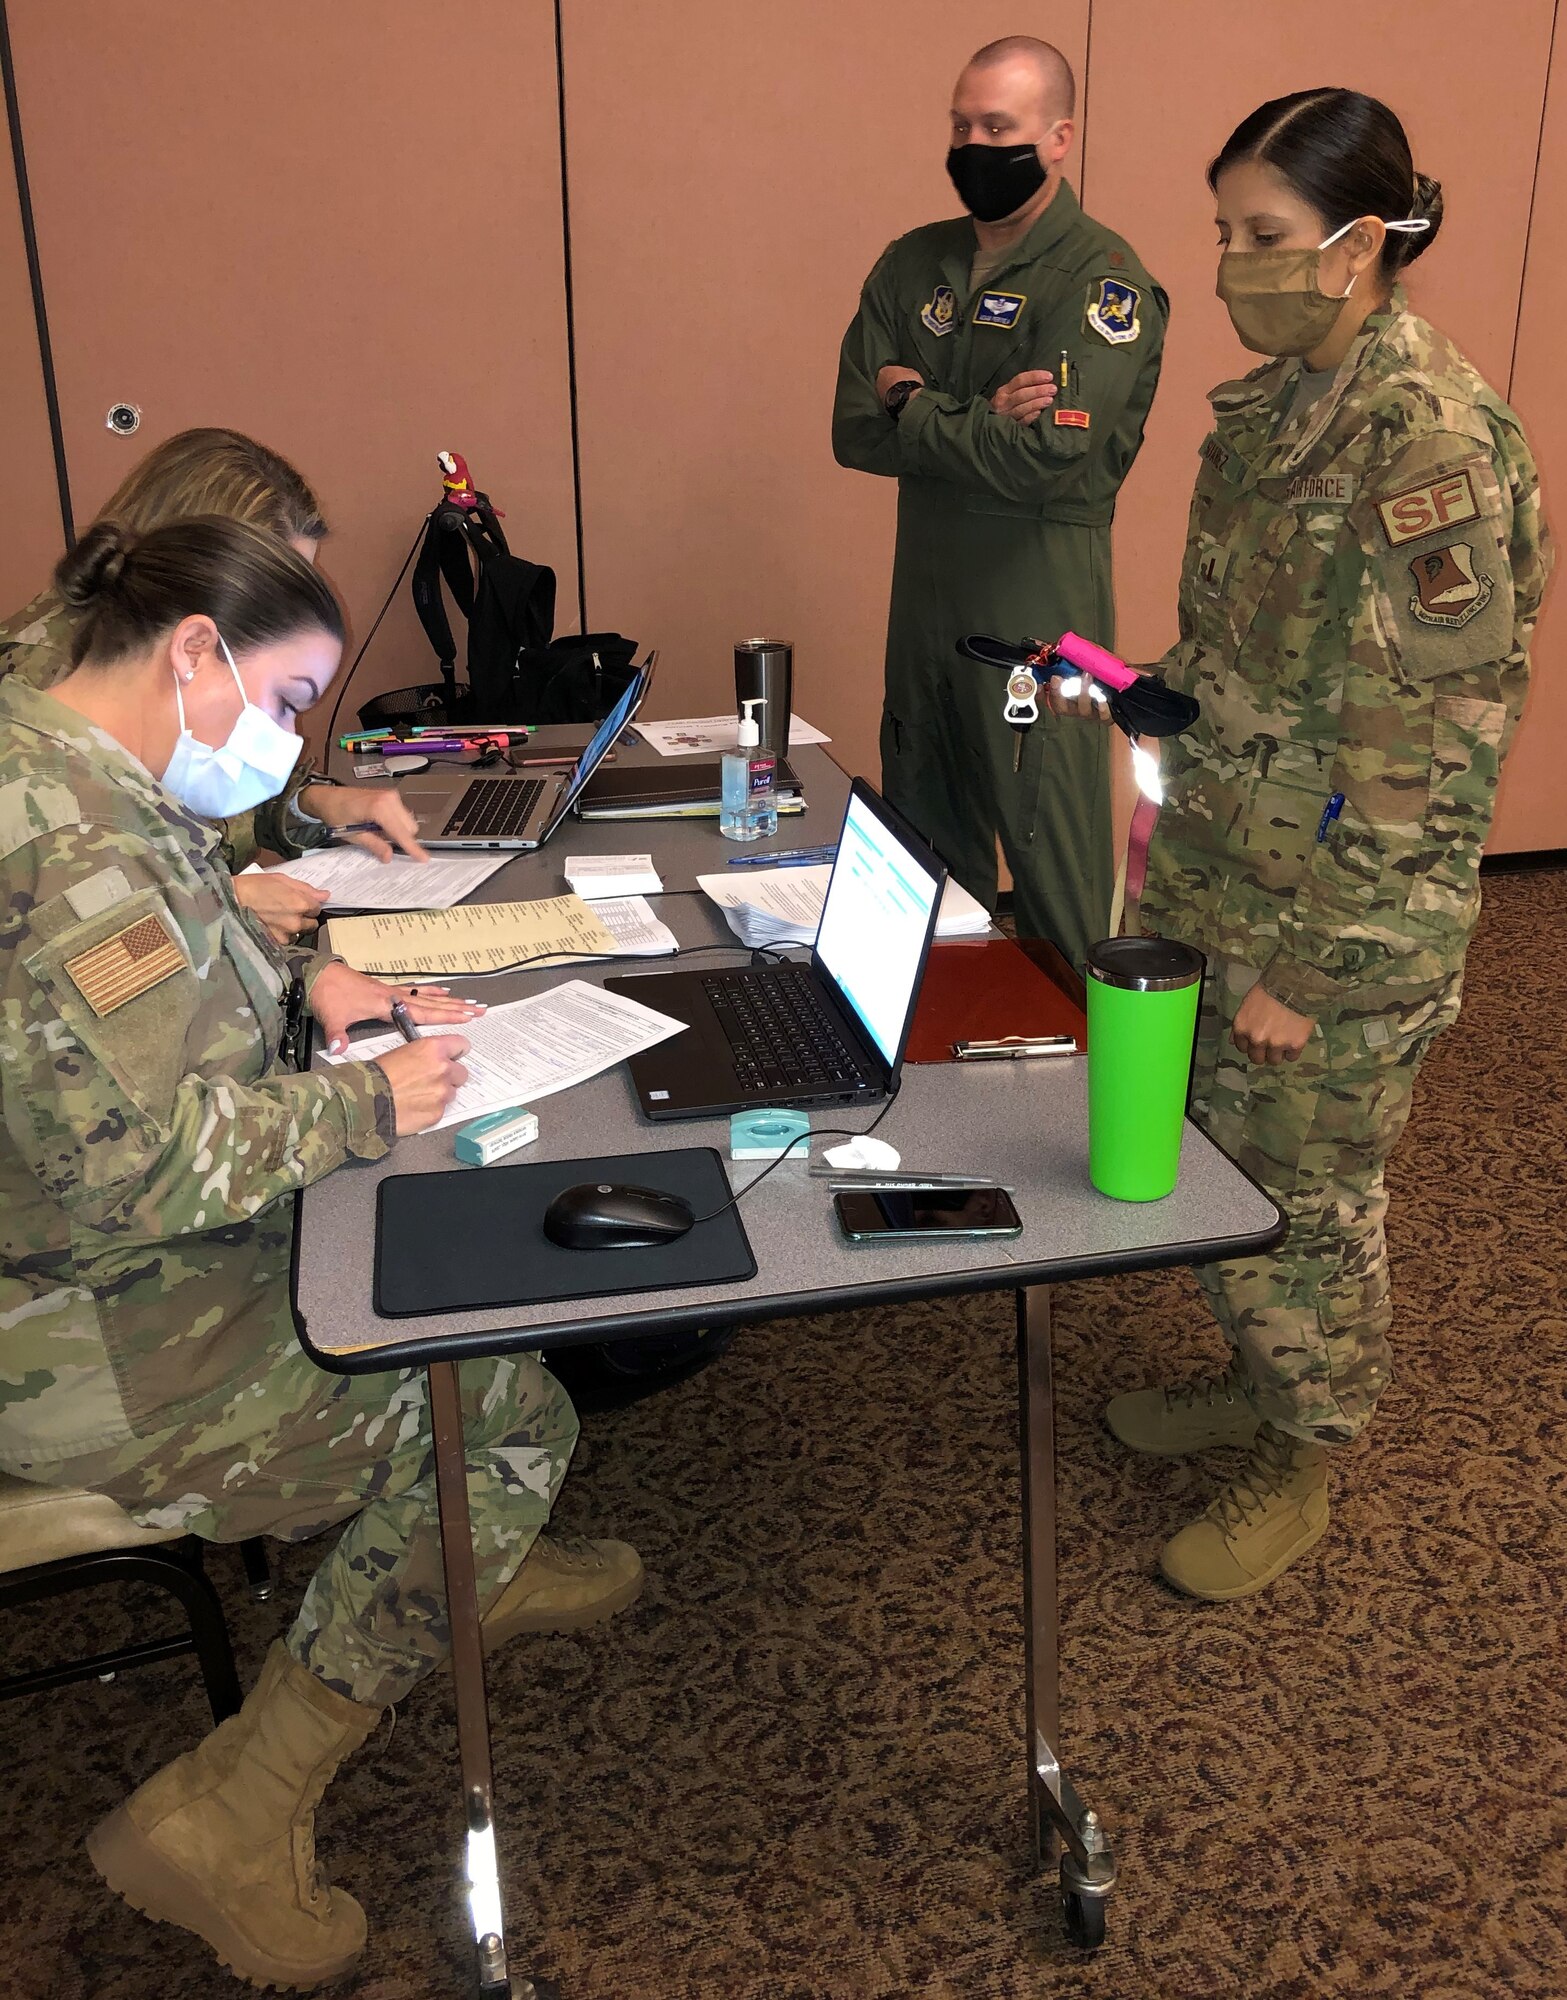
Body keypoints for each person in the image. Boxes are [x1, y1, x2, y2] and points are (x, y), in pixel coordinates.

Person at [0, 517, 643, 1988]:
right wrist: (359, 1098)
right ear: (192, 650)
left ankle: (462, 1570)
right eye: (287, 703)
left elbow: (116, 1050)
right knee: (502, 1422)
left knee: (483, 1311)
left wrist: (307, 992)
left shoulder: (56, 765)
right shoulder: (74, 851)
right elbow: (129, 1174)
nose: (290, 751)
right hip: (91, 1339)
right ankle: (231, 1813)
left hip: (90, 1280)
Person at [1052, 89, 1550, 1600]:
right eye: (1223, 232)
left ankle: (1307, 1444)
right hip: (1224, 871)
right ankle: (1251, 1375)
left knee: (1312, 1193)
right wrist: (1129, 683)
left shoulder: (1428, 444)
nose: (1227, 264)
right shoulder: (1274, 413)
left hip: (1336, 920)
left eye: (1260, 236)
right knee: (1223, 1158)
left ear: (1357, 245)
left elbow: (1430, 752)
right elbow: (1254, 658)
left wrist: (1315, 977)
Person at [832, 34, 1168, 973]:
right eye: (960, 124)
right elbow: (853, 431)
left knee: (1049, 844)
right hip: (926, 596)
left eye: (999, 126)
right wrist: (976, 415)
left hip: (1036, 601)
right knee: (925, 851)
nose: (975, 144)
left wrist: (917, 400)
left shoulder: (1102, 281)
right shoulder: (914, 263)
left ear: (1058, 137)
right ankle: (950, 1067)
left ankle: (1090, 1076)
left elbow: (1045, 460)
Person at [0, 426, 427, 948]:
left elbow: (213, 786)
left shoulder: (181, 676)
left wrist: (313, 805)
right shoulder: (49, 684)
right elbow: (75, 896)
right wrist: (228, 899)